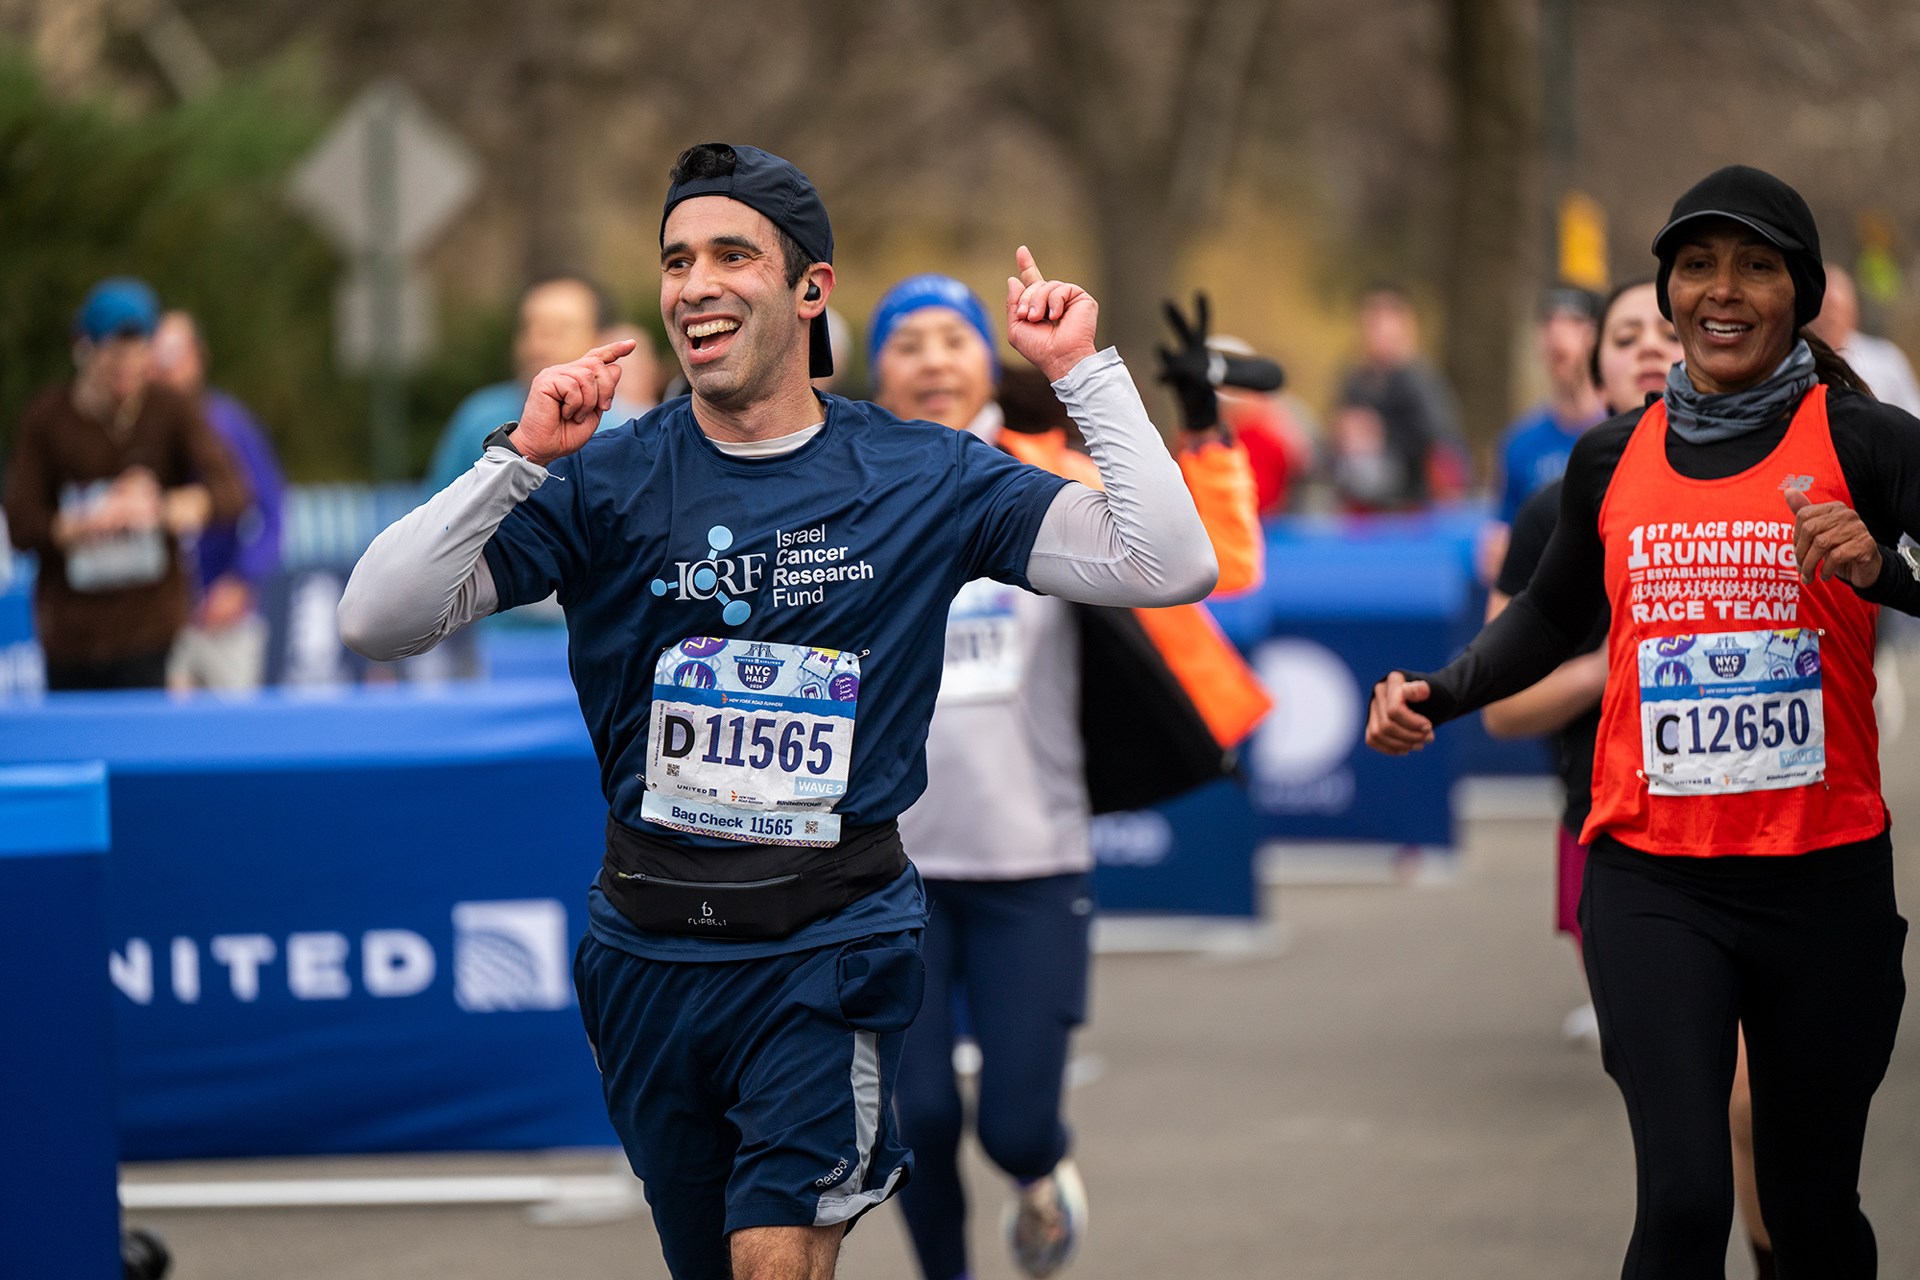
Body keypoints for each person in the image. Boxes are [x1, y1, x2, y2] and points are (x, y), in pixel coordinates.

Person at [338, 142, 1217, 1280]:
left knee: (777, 1256)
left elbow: (1170, 560)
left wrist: (1082, 370)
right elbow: (376, 617)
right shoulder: (604, 479)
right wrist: (520, 458)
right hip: (645, 948)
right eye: (675, 259)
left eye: (730, 254)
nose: (693, 283)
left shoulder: (925, 473)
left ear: (811, 290)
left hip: (830, 940)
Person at [1367, 165, 1915, 1278]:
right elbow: (1552, 613)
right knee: (1682, 1197)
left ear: (1801, 294)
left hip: (1823, 877)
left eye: (1757, 266)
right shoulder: (1612, 456)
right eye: (1699, 265)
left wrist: (1890, 568)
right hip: (1653, 873)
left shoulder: (1870, 441)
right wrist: (1445, 688)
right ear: (1669, 293)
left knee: (1810, 1213)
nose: (1724, 290)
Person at [868, 278, 1271, 1280]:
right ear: (878, 372)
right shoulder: (846, 501)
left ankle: (1040, 1170)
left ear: (985, 363)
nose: (929, 360)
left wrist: (1206, 435)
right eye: (905, 341)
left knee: (1013, 1124)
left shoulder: (1044, 480)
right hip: (885, 875)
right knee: (911, 1118)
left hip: (1031, 860)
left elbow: (1213, 559)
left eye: (951, 338)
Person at [5, 278, 248, 691]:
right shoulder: (47, 419)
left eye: (139, 355)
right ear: (83, 348)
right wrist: (87, 524)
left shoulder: (169, 409)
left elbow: (232, 490)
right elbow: (20, 522)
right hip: (71, 636)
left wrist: (161, 508)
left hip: (153, 631)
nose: (127, 369)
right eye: (113, 356)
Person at [150, 310, 286, 692]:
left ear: (197, 356)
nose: (167, 367)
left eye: (176, 353)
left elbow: (272, 512)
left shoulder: (230, 425)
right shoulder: (140, 433)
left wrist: (241, 580)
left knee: (232, 732)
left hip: (225, 618)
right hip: (161, 619)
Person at [422, 274, 614, 495]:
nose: (538, 344)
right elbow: (438, 513)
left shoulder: (626, 430)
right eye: (530, 328)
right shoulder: (478, 416)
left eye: (559, 331)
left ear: (601, 341)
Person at [1482, 286, 1606, 578]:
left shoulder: (1623, 436)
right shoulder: (1519, 444)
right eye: (1549, 321)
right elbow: (1497, 548)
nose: (1557, 333)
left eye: (1574, 321)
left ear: (1599, 338)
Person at [1330, 285, 1465, 512]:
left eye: (1384, 324)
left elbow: (1441, 445)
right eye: (1371, 324)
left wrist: (1381, 435)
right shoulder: (1354, 382)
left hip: (1413, 508)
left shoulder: (1420, 383)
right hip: (1364, 507)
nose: (1377, 333)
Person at [1811, 264, 1920, 416]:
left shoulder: (1886, 359)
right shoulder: (1803, 360)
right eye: (1823, 309)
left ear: (1852, 312)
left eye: (1835, 308)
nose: (1829, 317)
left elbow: (1914, 413)